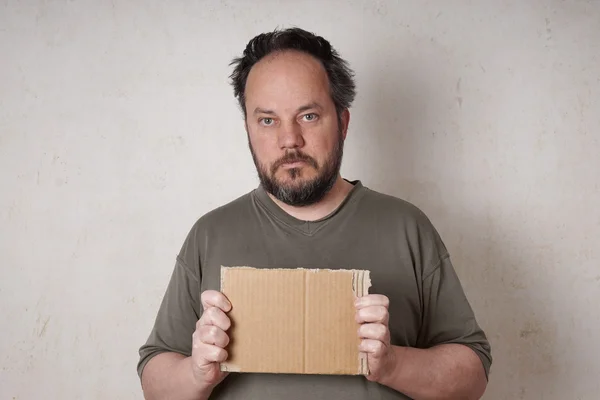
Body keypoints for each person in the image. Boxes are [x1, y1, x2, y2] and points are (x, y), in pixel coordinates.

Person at [137, 27, 492, 400]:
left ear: (342, 122)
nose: (289, 139)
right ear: (248, 129)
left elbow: (473, 375)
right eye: (268, 120)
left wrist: (394, 365)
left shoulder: (407, 227)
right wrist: (196, 373)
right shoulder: (210, 234)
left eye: (307, 116)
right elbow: (154, 379)